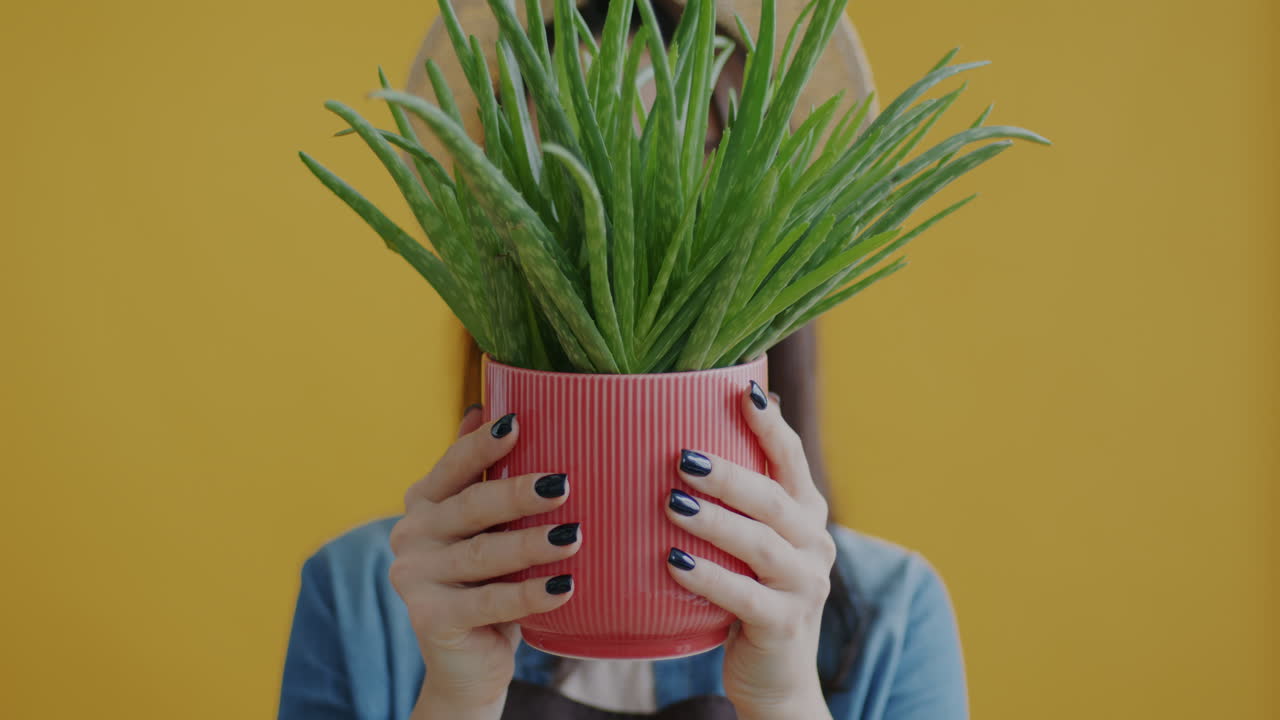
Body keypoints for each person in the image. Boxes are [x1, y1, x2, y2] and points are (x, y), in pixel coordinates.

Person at [280, 1, 967, 718]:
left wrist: (787, 695)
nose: (621, 211)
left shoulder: (893, 615)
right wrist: (456, 695)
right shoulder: (363, 600)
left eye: (700, 151)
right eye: (565, 168)